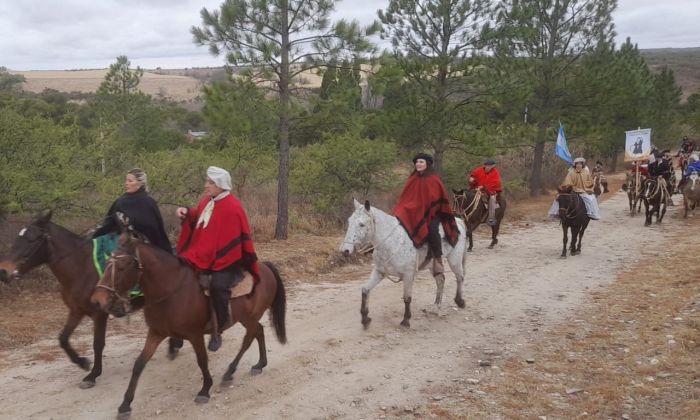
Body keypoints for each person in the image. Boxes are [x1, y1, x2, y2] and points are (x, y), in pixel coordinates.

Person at [176, 166, 259, 352]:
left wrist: (215, 258)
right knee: (180, 276)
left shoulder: (233, 207)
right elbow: (199, 216)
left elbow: (234, 240)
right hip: (204, 254)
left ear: (221, 185)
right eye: (207, 181)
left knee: (218, 286)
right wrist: (187, 212)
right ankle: (180, 327)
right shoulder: (208, 201)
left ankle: (218, 327)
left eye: (210, 182)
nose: (206, 185)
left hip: (228, 259)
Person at [393, 153, 459, 277]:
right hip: (416, 210)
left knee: (432, 230)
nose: (418, 164)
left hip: (434, 212)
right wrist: (405, 208)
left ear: (427, 164)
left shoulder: (433, 179)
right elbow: (406, 198)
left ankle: (438, 259)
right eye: (417, 162)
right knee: (398, 220)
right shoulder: (413, 178)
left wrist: (418, 208)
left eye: (421, 162)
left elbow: (434, 200)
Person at [93, 168, 171, 253]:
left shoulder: (148, 203)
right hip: (121, 247)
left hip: (146, 249)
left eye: (130, 181)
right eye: (126, 181)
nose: (126, 183)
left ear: (140, 184)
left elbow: (156, 232)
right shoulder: (120, 202)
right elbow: (109, 224)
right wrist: (94, 235)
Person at [468, 159, 503, 225]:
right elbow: (473, 175)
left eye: (489, 166)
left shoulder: (495, 172)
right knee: (467, 195)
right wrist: (472, 179)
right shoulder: (478, 170)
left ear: (493, 166)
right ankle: (465, 214)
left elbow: (496, 182)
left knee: (492, 199)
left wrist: (484, 187)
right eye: (486, 165)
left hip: (490, 190)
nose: (487, 167)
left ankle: (491, 218)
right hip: (477, 189)